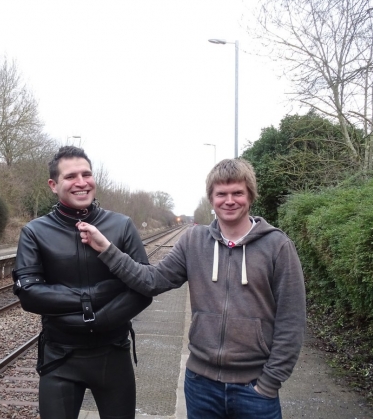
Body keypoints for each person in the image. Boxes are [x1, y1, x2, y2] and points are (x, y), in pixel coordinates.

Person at [77, 158, 306, 419]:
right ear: (211, 198)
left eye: (237, 193)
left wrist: (270, 383)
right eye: (221, 194)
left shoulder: (277, 246)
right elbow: (151, 281)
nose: (229, 200)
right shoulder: (194, 241)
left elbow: (292, 320)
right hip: (201, 385)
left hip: (255, 389)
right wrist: (107, 249)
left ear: (250, 196)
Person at [12, 145, 152, 419]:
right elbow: (29, 294)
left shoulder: (121, 225)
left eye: (86, 174)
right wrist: (94, 299)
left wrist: (98, 321)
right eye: (70, 176)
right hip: (60, 358)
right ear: (53, 185)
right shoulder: (35, 232)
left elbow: (144, 287)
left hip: (113, 355)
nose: (81, 182)